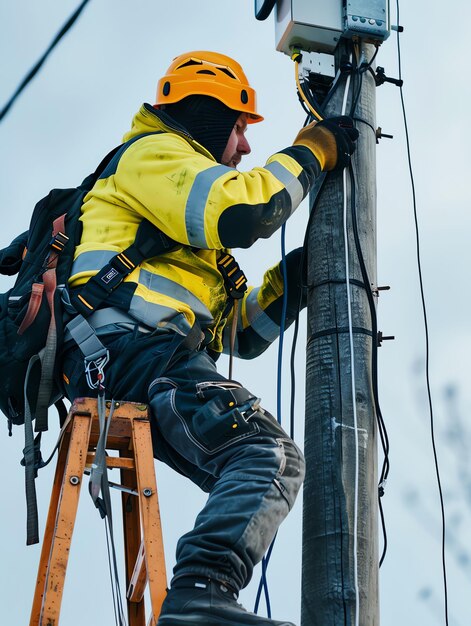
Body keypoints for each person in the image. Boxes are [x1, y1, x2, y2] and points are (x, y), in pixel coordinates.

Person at [62, 51, 358, 625]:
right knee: (265, 454)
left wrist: (300, 277)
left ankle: (203, 596)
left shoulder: (181, 217)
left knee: (252, 456)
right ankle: (201, 591)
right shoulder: (154, 157)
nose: (245, 146)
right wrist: (312, 151)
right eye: (242, 128)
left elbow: (240, 334)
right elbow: (247, 211)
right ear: (208, 116)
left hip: (145, 359)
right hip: (126, 353)